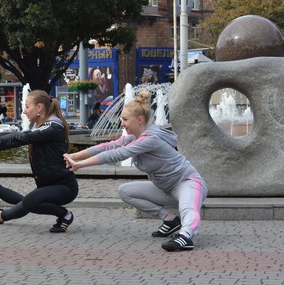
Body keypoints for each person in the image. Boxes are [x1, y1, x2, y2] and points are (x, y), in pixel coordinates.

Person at [64, 91, 207, 252]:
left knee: (188, 209)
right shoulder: (134, 137)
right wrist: (73, 156)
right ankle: (170, 220)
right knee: (125, 191)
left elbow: (116, 154)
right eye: (121, 119)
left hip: (188, 183)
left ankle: (186, 236)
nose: (122, 123)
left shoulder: (150, 139)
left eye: (125, 119)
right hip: (165, 189)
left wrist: (79, 165)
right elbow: (108, 146)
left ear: (139, 120)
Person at [0, 90, 78, 232]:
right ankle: (0, 216)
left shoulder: (52, 128)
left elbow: (19, 138)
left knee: (30, 201)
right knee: (29, 201)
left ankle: (65, 215)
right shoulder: (42, 127)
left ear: (39, 107)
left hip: (64, 187)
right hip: (48, 186)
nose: (24, 111)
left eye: (27, 107)